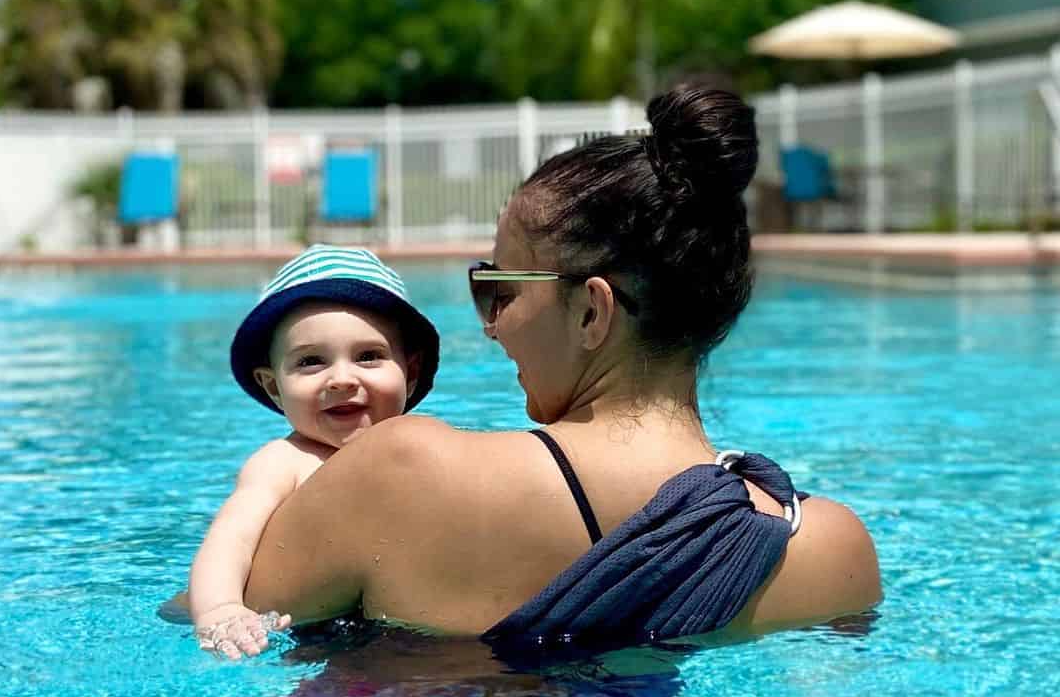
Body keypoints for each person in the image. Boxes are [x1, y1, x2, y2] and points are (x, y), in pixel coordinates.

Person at [241, 83, 880, 648]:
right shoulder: (828, 548)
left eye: (502, 291)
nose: (490, 327)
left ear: (590, 313)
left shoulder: (400, 471)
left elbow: (214, 621)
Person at [187, 245, 439, 658]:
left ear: (409, 372)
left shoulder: (427, 449)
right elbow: (230, 540)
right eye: (311, 362)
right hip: (306, 636)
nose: (341, 378)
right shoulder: (283, 463)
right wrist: (221, 610)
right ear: (273, 386)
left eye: (369, 356)